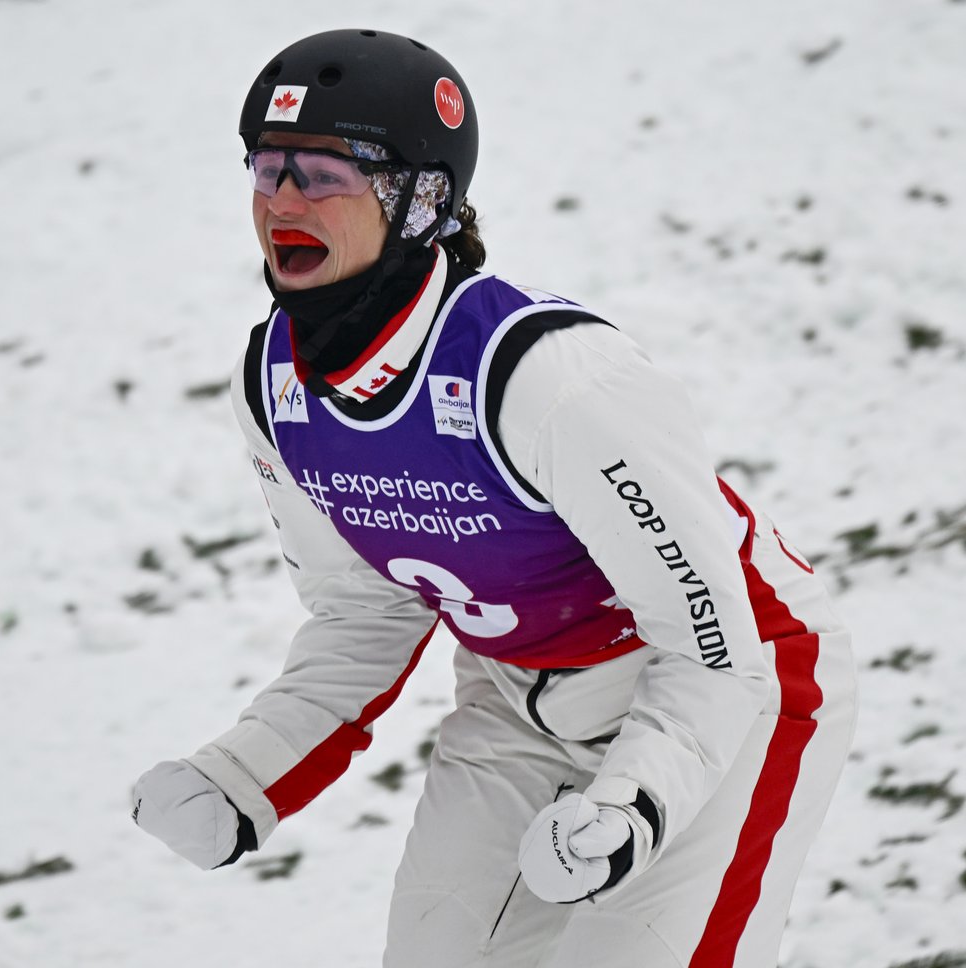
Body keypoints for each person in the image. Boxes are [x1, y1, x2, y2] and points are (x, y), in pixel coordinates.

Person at [131, 28, 857, 968]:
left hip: (733, 685)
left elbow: (715, 648)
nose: (280, 201)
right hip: (514, 701)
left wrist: (633, 805)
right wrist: (239, 776)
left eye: (322, 174)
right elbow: (365, 615)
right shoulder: (275, 386)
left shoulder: (548, 377)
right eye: (266, 169)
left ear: (421, 197)